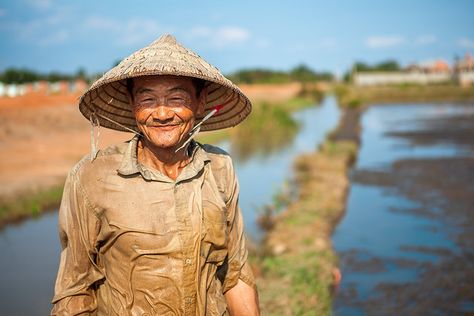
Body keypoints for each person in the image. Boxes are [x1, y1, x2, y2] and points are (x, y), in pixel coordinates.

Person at [51, 34, 260, 315]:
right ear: (132, 104)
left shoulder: (219, 167)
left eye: (177, 98)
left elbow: (235, 272)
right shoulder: (91, 177)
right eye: (147, 99)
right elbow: (74, 291)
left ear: (201, 103)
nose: (162, 113)